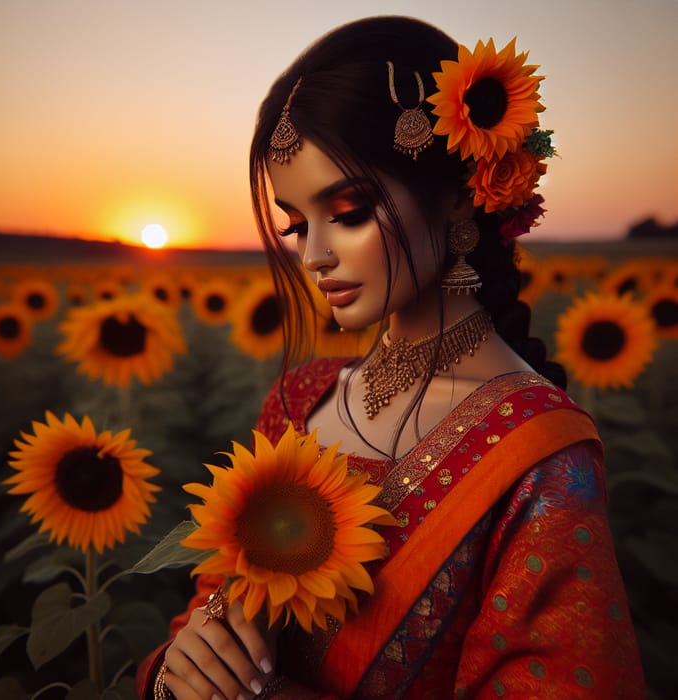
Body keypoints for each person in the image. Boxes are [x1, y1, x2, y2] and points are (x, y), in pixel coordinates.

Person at [138, 15, 646, 699]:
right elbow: (214, 604)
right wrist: (181, 666)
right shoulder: (300, 399)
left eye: (346, 211)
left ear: (455, 197)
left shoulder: (542, 454)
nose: (313, 254)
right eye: (295, 224)